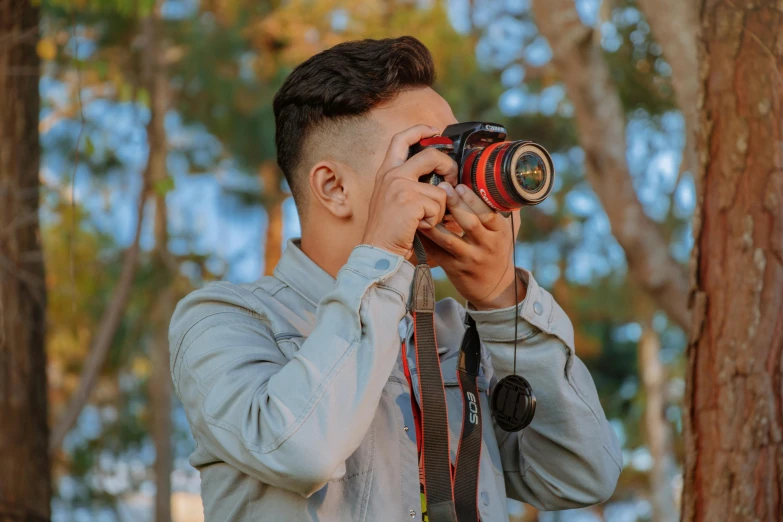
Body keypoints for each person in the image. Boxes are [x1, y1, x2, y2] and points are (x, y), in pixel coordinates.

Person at [169, 36, 622, 522]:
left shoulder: (454, 336)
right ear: (334, 187)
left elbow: (580, 473)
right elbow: (301, 451)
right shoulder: (225, 320)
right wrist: (382, 256)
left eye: (456, 156)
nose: (452, 182)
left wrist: (500, 301)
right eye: (425, 156)